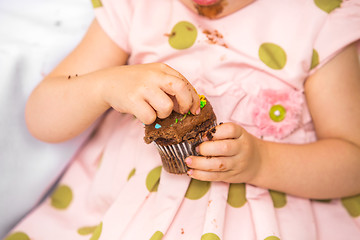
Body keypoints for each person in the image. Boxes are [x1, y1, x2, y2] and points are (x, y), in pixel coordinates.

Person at [4, 0, 360, 239]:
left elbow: (352, 162)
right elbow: (41, 118)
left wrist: (262, 161)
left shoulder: (317, 21)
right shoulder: (138, 8)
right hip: (113, 216)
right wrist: (103, 85)